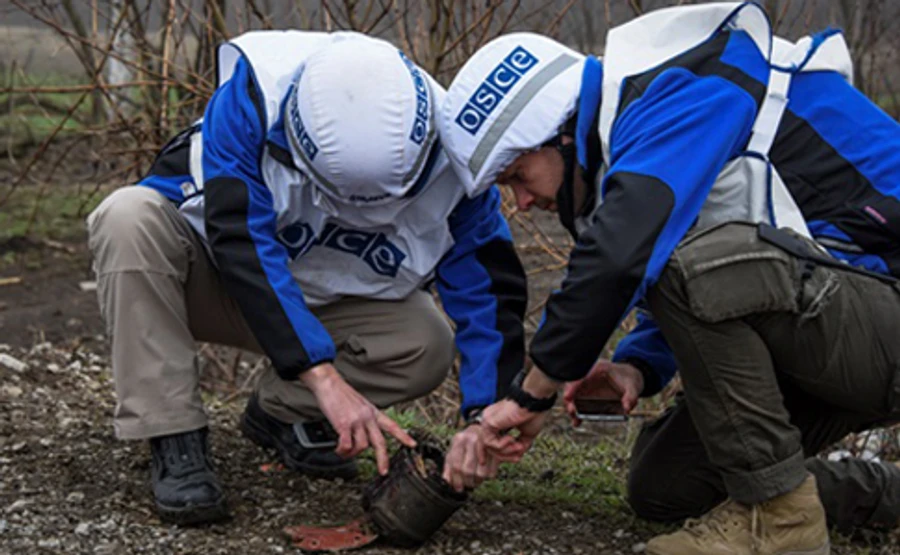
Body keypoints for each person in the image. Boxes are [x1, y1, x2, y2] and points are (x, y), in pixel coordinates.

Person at [437, 2, 900, 553]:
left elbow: (629, 259)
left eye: (517, 174)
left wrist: (530, 394)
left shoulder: (689, 86)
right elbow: (721, 263)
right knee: (666, 485)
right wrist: (636, 365)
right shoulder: (649, 125)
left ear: (561, 133)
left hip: (882, 314)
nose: (522, 201)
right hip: (843, 324)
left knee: (686, 265)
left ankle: (781, 522)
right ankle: (870, 496)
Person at [86, 30, 526, 525]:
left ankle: (281, 413)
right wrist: (322, 376)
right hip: (215, 280)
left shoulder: (457, 150)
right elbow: (241, 242)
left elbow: (487, 291)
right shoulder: (252, 102)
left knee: (425, 342)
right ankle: (174, 435)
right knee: (127, 218)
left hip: (329, 303)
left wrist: (487, 415)